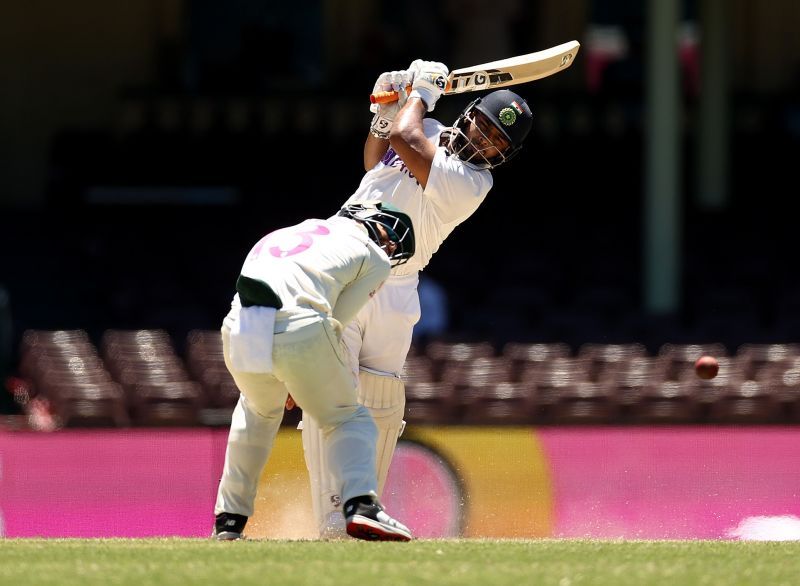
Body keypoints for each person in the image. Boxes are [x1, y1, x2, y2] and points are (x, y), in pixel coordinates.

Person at [299, 59, 534, 537]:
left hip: (398, 285)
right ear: (468, 114)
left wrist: (420, 93)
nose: (484, 142)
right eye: (484, 128)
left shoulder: (472, 182)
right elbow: (377, 160)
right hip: (344, 265)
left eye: (496, 143)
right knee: (333, 394)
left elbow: (408, 143)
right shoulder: (425, 125)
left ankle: (361, 509)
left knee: (384, 401)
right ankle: (330, 517)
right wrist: (384, 113)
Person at [212, 201, 416, 542]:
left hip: (240, 324)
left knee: (256, 412)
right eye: (390, 237)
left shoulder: (288, 231)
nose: (390, 247)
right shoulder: (376, 258)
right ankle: (362, 505)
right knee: (347, 418)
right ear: (367, 221)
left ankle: (228, 521)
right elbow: (336, 322)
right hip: (300, 326)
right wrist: (301, 371)